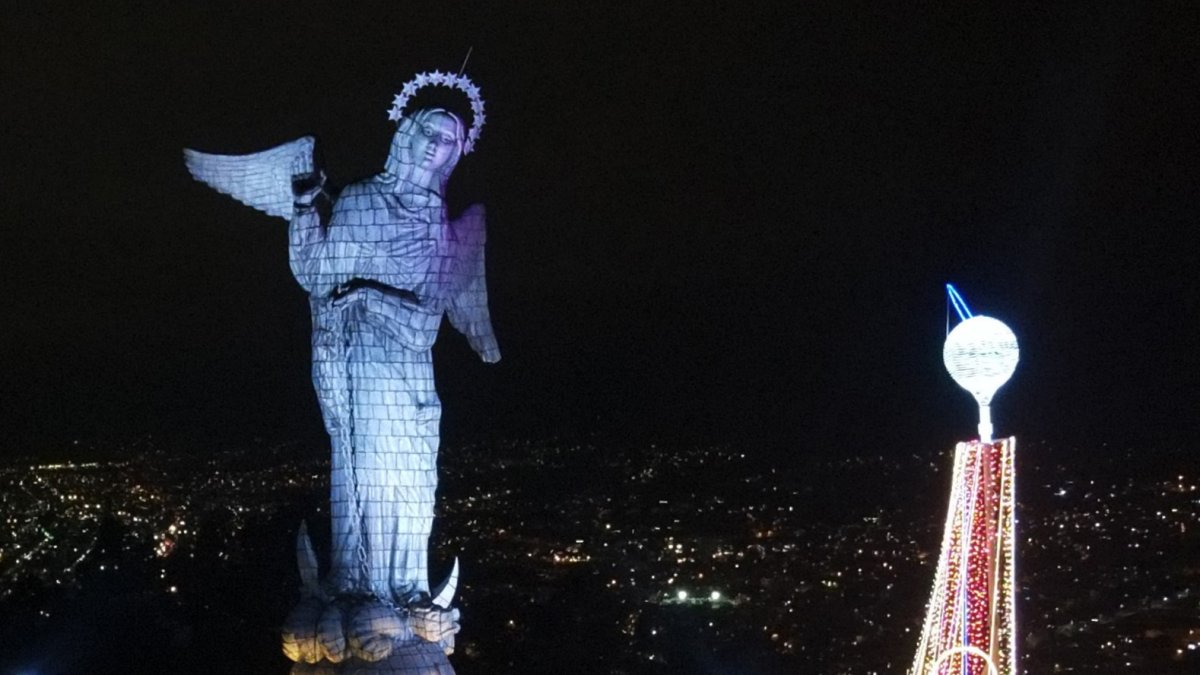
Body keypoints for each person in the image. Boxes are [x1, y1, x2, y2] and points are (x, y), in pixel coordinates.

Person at [288, 108, 499, 604]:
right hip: (367, 360)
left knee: (415, 477)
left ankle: (408, 588)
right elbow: (320, 277)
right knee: (373, 469)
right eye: (427, 131)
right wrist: (302, 209)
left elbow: (426, 320)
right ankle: (366, 586)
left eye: (448, 140)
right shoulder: (361, 200)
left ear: (455, 154)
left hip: (413, 369)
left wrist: (367, 293)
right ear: (406, 133)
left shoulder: (442, 228)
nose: (434, 145)